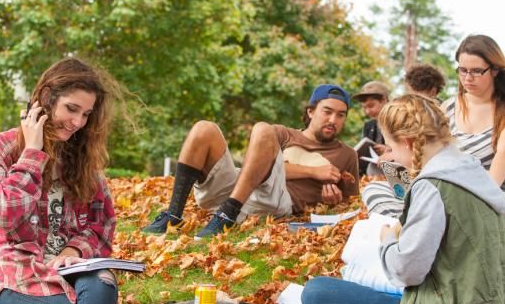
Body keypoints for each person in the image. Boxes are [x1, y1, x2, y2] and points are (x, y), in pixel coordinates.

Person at [268, 94, 505, 304]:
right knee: (359, 293)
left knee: (318, 293)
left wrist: (388, 241)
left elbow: (408, 270)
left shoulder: (433, 186)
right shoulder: (471, 173)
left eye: (390, 147)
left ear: (408, 142)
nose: (390, 156)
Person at [0, 58, 125, 304]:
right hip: (20, 281)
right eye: (71, 109)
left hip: (73, 278)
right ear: (46, 98)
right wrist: (32, 154)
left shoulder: (82, 159)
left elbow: (102, 225)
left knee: (103, 282)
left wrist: (73, 253)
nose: (77, 122)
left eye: (86, 114)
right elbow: (4, 218)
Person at [142, 84, 359, 239]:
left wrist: (331, 201)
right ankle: (173, 214)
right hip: (236, 187)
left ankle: (227, 215)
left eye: (341, 115)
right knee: (204, 128)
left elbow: (351, 202)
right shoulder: (284, 135)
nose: (333, 120)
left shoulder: (347, 155)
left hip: (271, 201)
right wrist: (313, 172)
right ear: (311, 112)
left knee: (264, 130)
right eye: (327, 112)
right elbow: (252, 165)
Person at [444, 35, 505, 209]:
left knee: (465, 216)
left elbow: (498, 171)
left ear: (494, 70)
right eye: (463, 70)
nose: (468, 78)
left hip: (499, 191)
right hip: (452, 187)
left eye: (477, 71)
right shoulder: (448, 107)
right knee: (377, 192)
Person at [352, 80, 391, 176]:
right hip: (372, 177)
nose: (368, 111)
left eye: (371, 105)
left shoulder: (399, 121)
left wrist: (390, 151)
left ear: (384, 100)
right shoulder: (369, 126)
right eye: (364, 107)